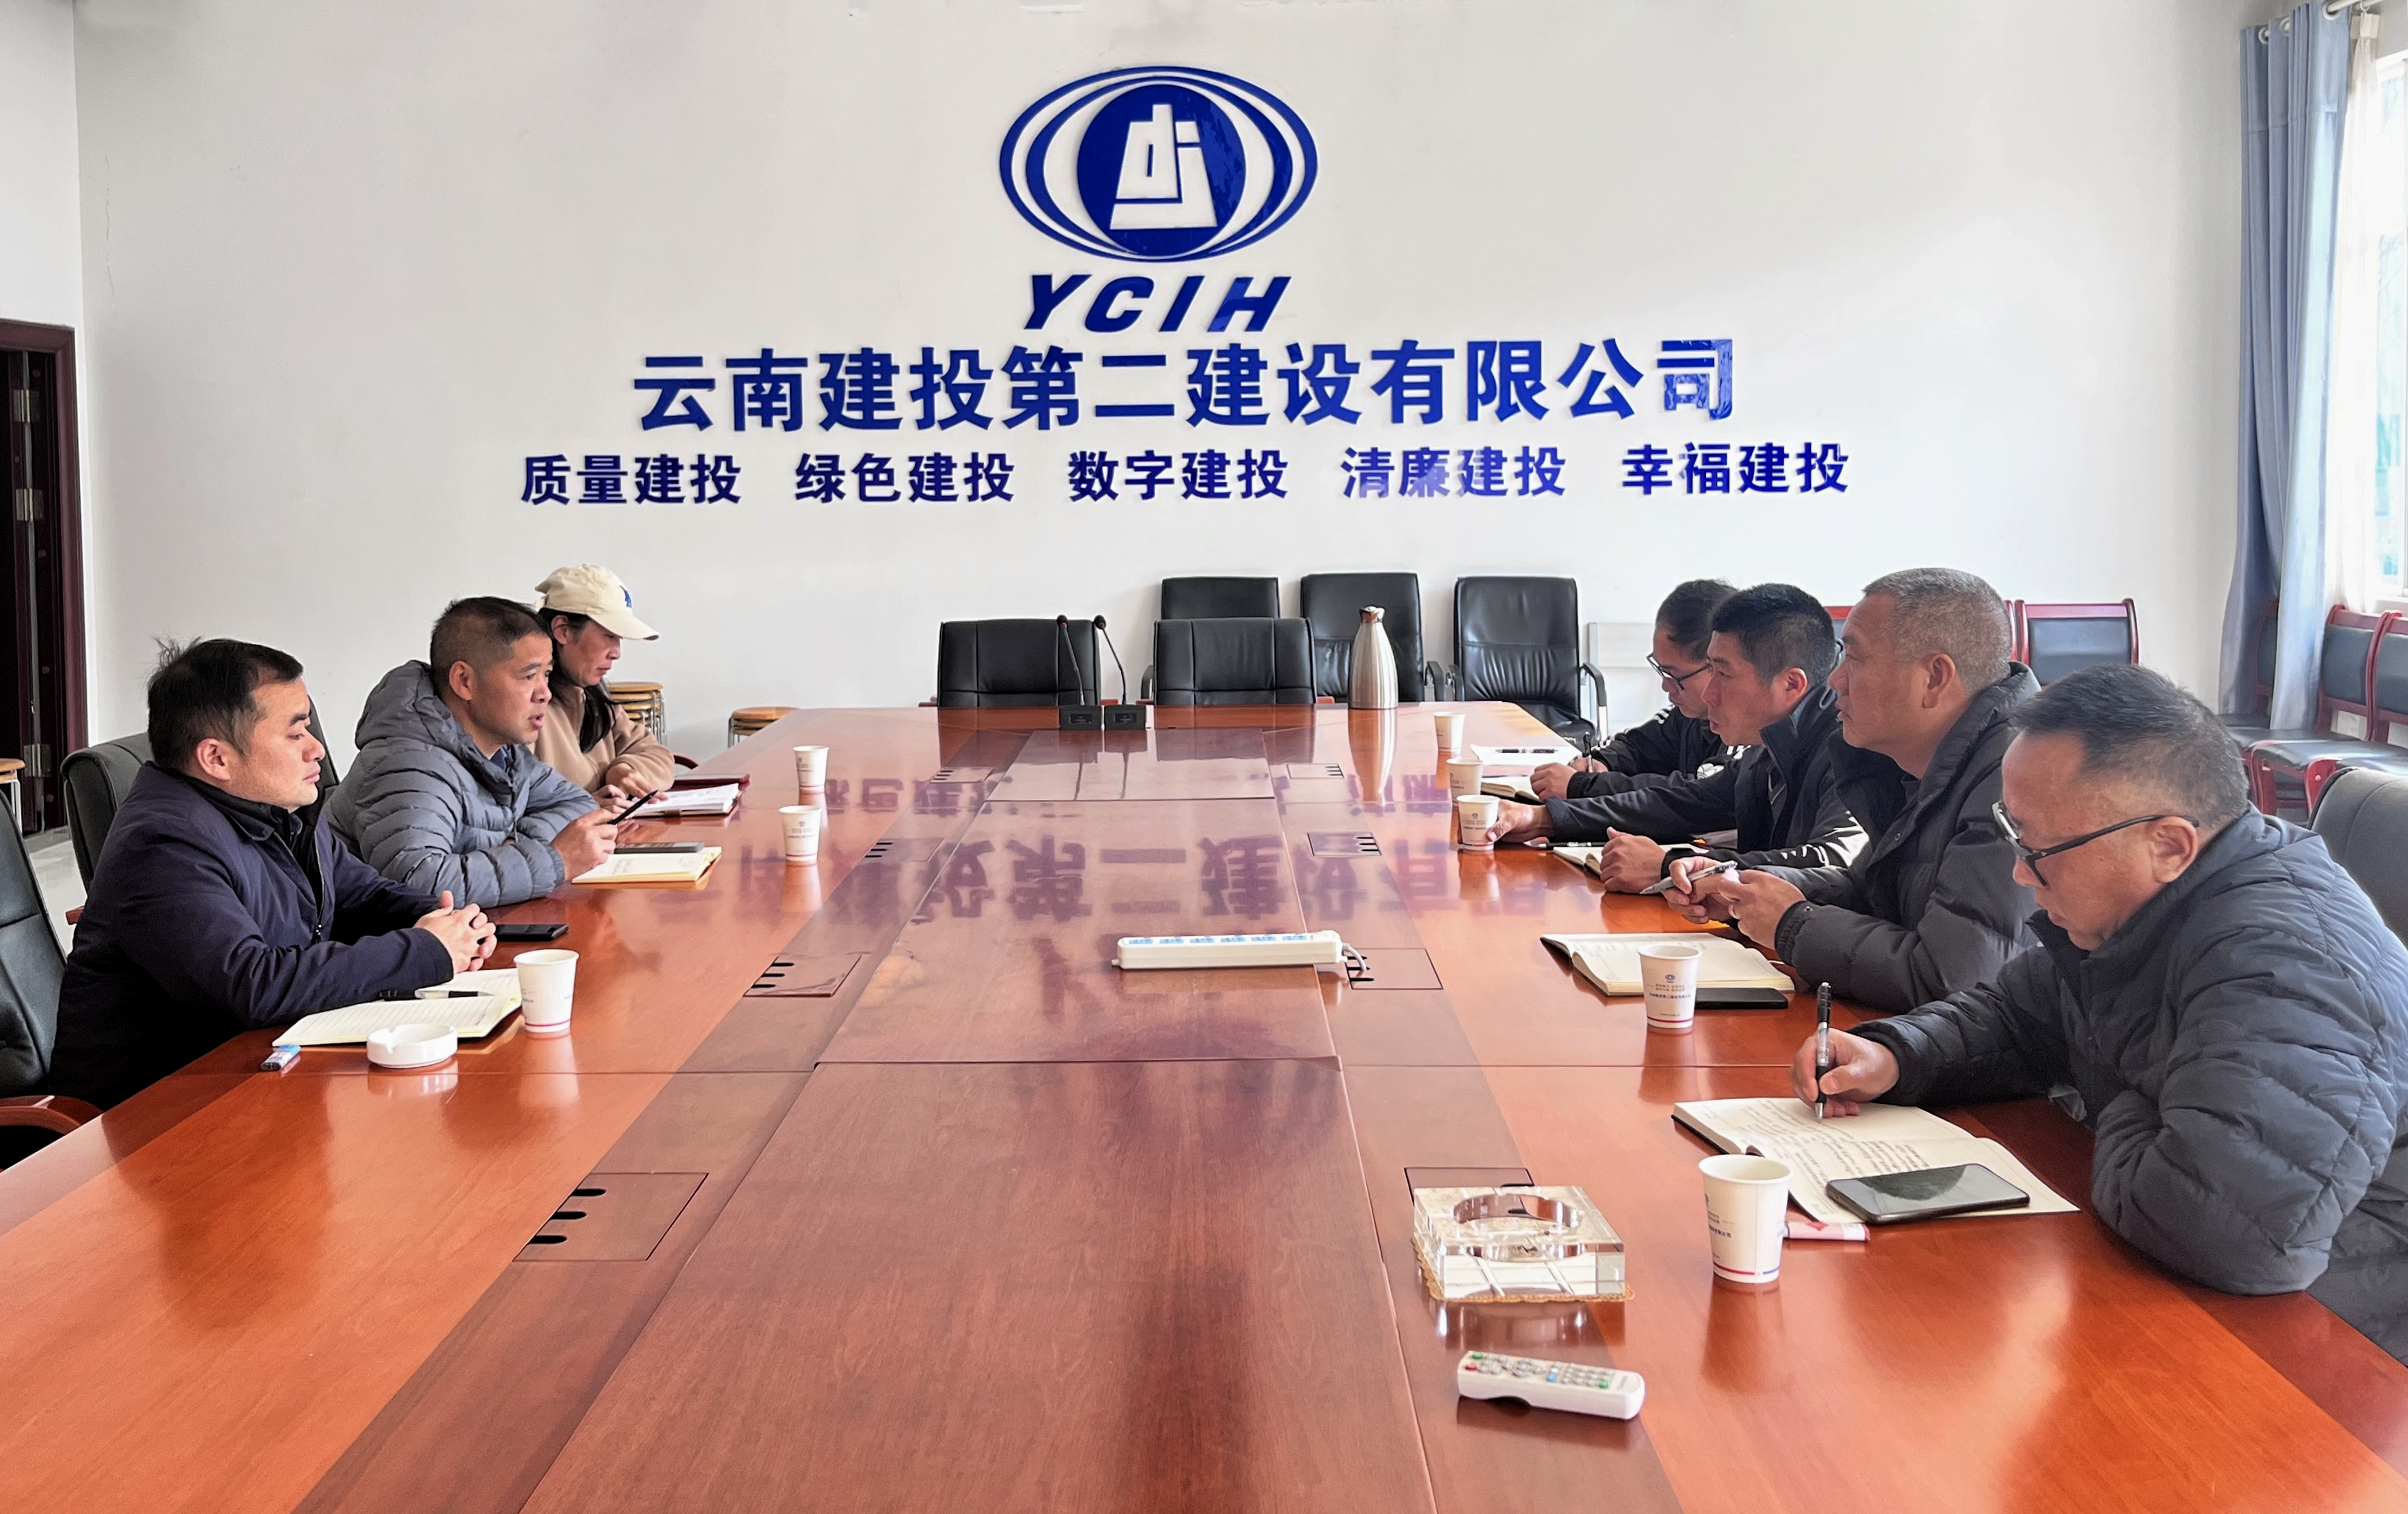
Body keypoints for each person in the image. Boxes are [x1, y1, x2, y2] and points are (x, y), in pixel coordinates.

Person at [1795, 665, 2408, 1363]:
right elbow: (2019, 1013)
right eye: (2013, 835)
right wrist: (1897, 1054)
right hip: (2192, 1286)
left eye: (2039, 849)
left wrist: (2123, 1091)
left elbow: (2222, 1232)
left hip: (2330, 1338)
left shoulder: (2289, 963)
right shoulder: (2156, 902)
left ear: (2168, 845)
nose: (2020, 873)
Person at [49, 641, 494, 1108]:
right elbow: (251, 984)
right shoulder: (163, 844)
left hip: (257, 1079)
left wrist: (447, 920)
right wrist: (425, 950)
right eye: (296, 733)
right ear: (216, 758)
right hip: (155, 1116)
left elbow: (362, 896)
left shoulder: (274, 812)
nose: (317, 749)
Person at [1673, 568, 2038, 1011]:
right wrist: (1748, 890)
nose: (1834, 680)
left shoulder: (2018, 779)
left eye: (1855, 659)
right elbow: (1870, 892)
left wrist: (1791, 924)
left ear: (1934, 678)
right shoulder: (1920, 759)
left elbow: (1951, 977)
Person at [1485, 582, 1865, 892]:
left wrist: (1674, 866)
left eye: (1723, 674)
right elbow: (1684, 803)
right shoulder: (1770, 742)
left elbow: (1833, 862)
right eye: (1710, 670)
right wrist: (1545, 819)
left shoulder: (1855, 748)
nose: (1709, 693)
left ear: (1791, 684)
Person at [331, 596, 617, 907]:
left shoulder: (504, 754)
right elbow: (418, 884)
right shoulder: (409, 765)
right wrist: (554, 860)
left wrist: (517, 848)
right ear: (464, 681)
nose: (545, 693)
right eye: (528, 676)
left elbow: (579, 805)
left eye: (546, 675)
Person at [1529, 579, 1734, 803]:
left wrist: (1584, 786)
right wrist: (1601, 762)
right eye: (1661, 670)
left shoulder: (1749, 734)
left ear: (1716, 667)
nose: (1666, 685)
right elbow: (1637, 745)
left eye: (1674, 675)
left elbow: (1698, 793)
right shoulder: (1688, 717)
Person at [533, 563, 675, 799]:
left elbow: (659, 756)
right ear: (563, 630)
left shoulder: (595, 701)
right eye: (609, 635)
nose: (617, 653)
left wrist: (624, 769)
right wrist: (589, 809)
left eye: (619, 639)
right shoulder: (527, 710)